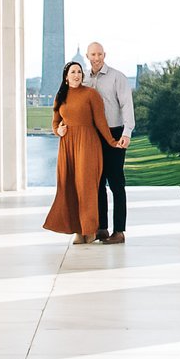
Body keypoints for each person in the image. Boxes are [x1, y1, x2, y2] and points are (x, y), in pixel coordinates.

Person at [42, 60, 116, 244]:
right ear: (66, 77)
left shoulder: (91, 94)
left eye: (79, 72)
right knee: (69, 187)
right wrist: (57, 131)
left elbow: (100, 121)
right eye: (73, 72)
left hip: (88, 144)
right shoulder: (61, 96)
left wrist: (112, 141)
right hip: (67, 146)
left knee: (86, 187)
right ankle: (77, 230)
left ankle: (89, 229)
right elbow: (55, 121)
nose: (77, 75)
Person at [84, 40, 134, 244]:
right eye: (93, 55)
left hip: (114, 133)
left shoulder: (117, 77)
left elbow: (126, 106)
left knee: (116, 183)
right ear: (87, 57)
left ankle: (119, 231)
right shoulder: (84, 77)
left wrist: (127, 132)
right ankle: (101, 228)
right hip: (93, 135)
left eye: (99, 54)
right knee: (97, 183)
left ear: (105, 55)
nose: (96, 58)